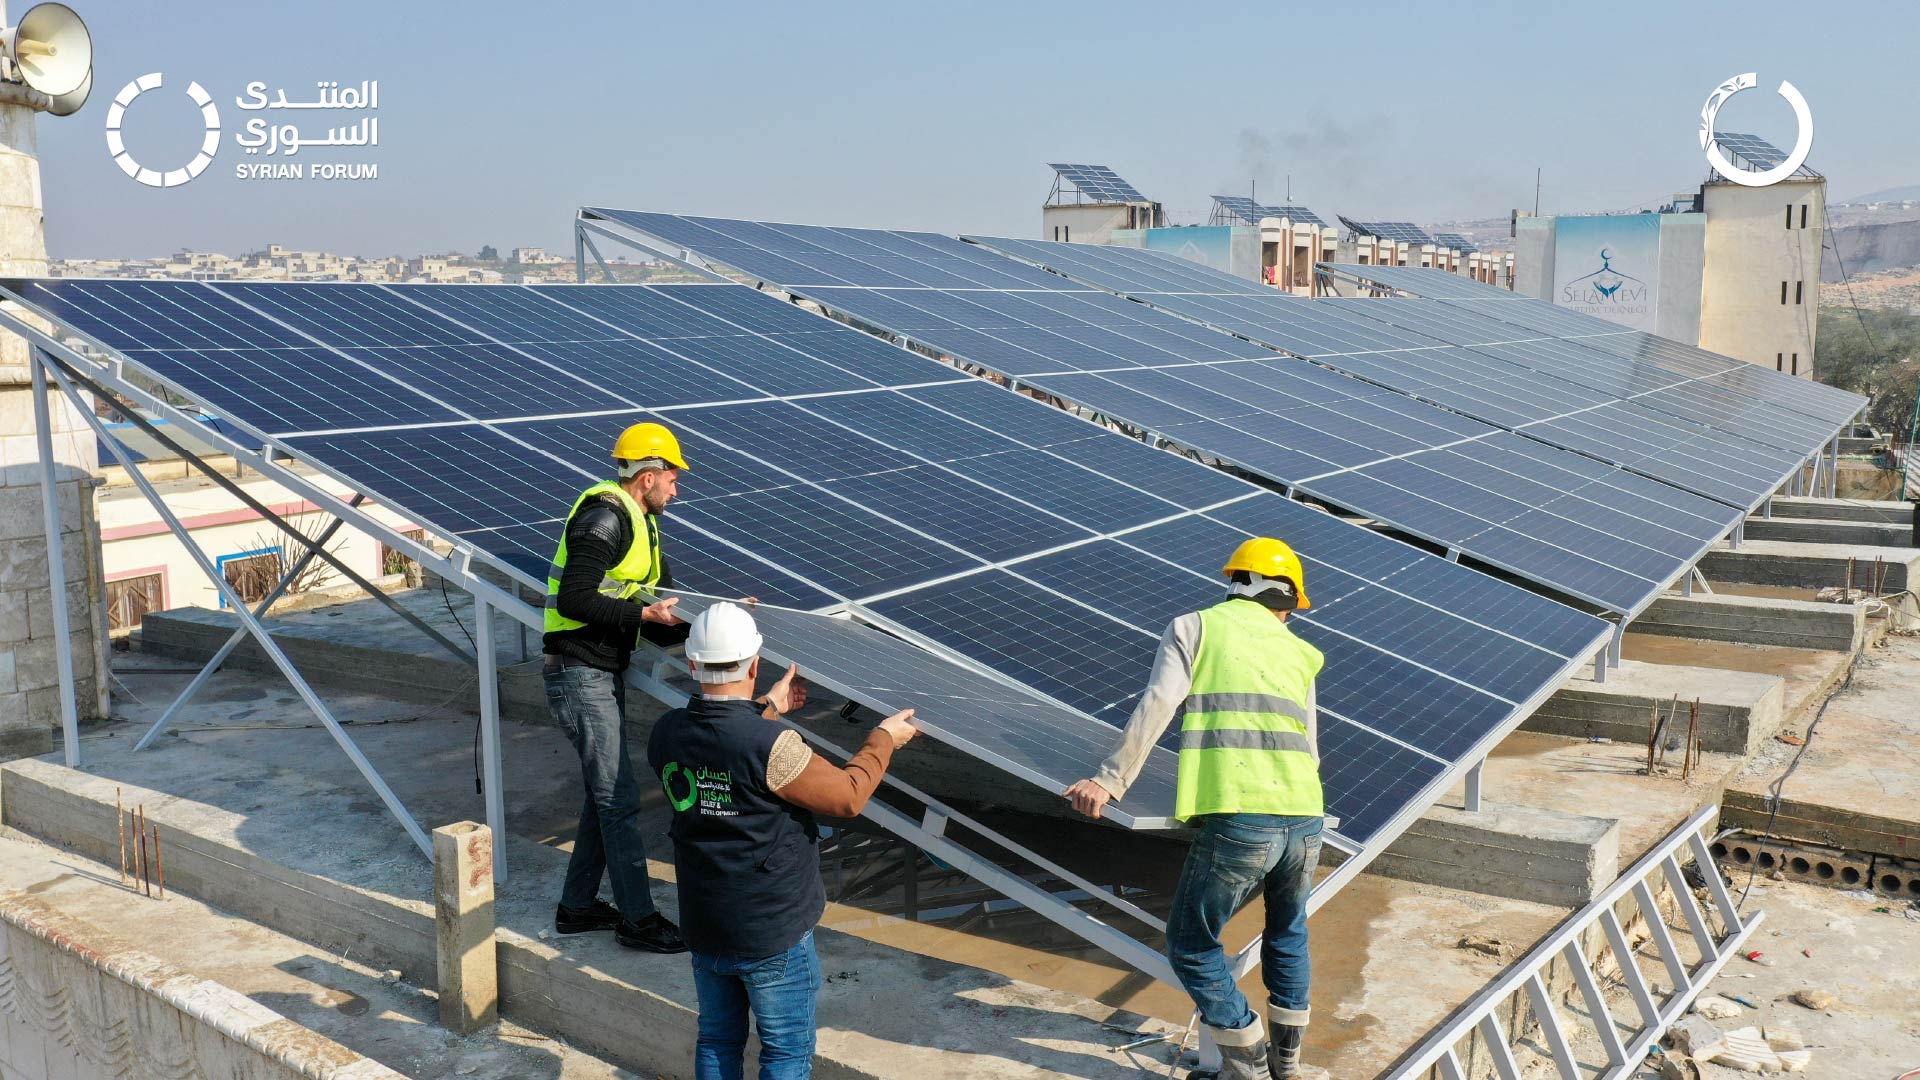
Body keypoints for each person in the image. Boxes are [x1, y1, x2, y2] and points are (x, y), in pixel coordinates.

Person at [1064, 537, 1326, 1080]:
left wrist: (1109, 781)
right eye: (1288, 607)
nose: (1287, 617)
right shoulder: (1301, 652)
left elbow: (1158, 704)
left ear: (1239, 582)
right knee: (1287, 931)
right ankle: (1289, 1066)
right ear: (1281, 596)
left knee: (1190, 943)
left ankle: (1248, 1058)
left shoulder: (1196, 627)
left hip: (1239, 814)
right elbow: (1311, 747)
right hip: (1305, 813)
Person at [648, 602, 919, 1080]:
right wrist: (883, 739)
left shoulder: (666, 732)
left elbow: (723, 739)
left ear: (692, 664)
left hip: (704, 919)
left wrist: (769, 706)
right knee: (785, 1053)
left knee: (716, 1038)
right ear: (755, 663)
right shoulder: (773, 746)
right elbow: (847, 796)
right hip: (769, 929)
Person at [544, 421, 692, 952]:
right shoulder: (604, 518)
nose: (676, 488)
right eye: (673, 477)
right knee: (618, 798)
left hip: (600, 670)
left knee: (602, 797)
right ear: (648, 475)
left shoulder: (644, 523)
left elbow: (658, 605)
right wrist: (640, 612)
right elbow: (574, 600)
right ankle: (638, 919)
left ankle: (577, 908)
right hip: (578, 670)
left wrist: (717, 625)